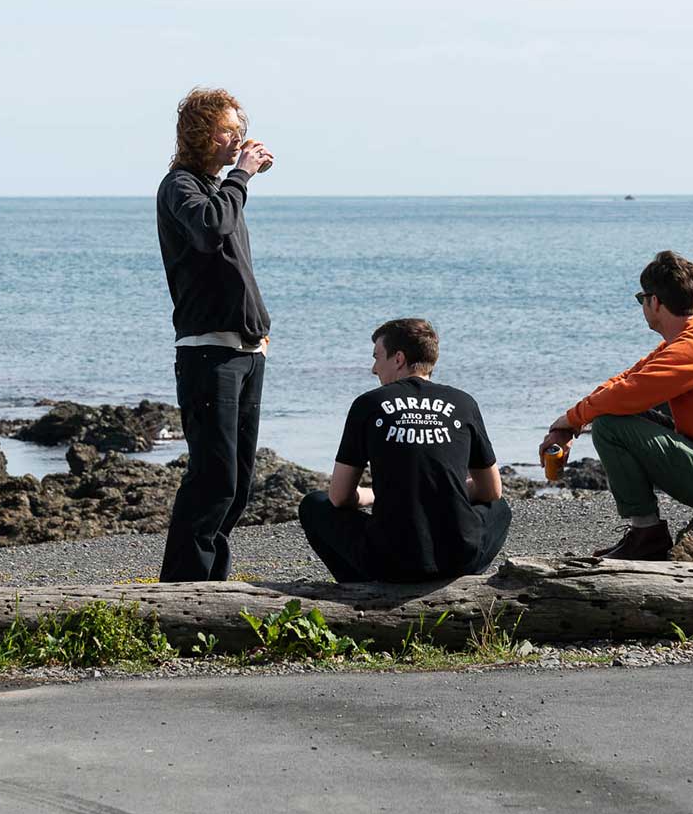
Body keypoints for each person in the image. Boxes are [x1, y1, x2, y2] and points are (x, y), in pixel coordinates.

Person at [540, 250, 693, 560]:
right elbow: (627, 379)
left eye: (641, 299)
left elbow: (625, 393)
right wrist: (571, 423)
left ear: (655, 302)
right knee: (615, 414)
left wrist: (568, 420)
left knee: (609, 426)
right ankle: (643, 533)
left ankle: (647, 534)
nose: (642, 306)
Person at [156, 87, 274, 582]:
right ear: (201, 133)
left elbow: (233, 265)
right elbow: (209, 228)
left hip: (245, 353)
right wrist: (241, 176)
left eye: (239, 132)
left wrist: (259, 332)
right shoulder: (181, 185)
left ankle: (212, 588)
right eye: (227, 131)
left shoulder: (219, 190)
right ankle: (181, 593)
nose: (236, 140)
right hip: (207, 355)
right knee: (213, 479)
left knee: (238, 484)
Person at [299, 318, 514, 583]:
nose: (373, 369)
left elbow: (340, 497)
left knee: (314, 505)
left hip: (390, 560)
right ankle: (458, 580)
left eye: (377, 357)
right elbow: (492, 491)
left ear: (398, 358)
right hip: (458, 555)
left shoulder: (368, 404)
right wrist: (444, 490)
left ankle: (359, 585)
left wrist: (381, 494)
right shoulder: (463, 402)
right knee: (500, 509)